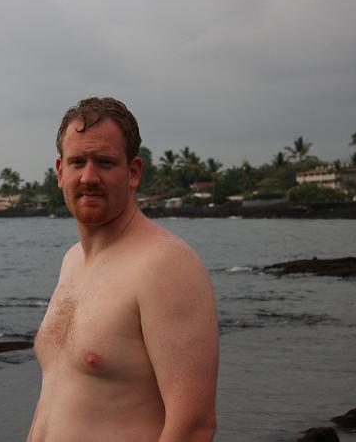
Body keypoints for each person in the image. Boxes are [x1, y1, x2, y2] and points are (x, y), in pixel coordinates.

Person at [27, 97, 219, 442]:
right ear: (59, 172)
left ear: (133, 173)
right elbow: (52, 404)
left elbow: (193, 426)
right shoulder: (72, 261)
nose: (88, 176)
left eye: (104, 162)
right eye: (77, 162)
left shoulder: (165, 264)